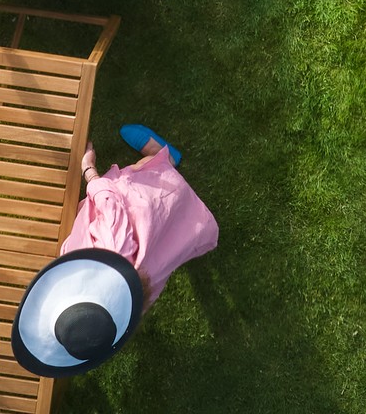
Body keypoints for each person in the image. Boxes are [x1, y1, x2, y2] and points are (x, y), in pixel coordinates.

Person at [11, 125, 219, 379]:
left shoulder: (125, 310)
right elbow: (112, 209)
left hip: (149, 255)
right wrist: (90, 172)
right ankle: (163, 159)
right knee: (142, 181)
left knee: (167, 242)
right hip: (141, 212)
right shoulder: (112, 248)